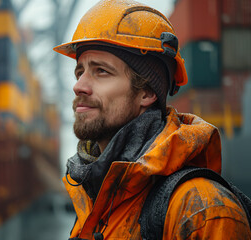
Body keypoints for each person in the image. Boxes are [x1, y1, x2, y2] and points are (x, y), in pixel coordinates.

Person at [53, 0, 251, 239]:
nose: (79, 86)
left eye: (101, 71)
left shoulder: (203, 211)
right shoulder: (90, 196)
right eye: (79, 72)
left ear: (147, 93)